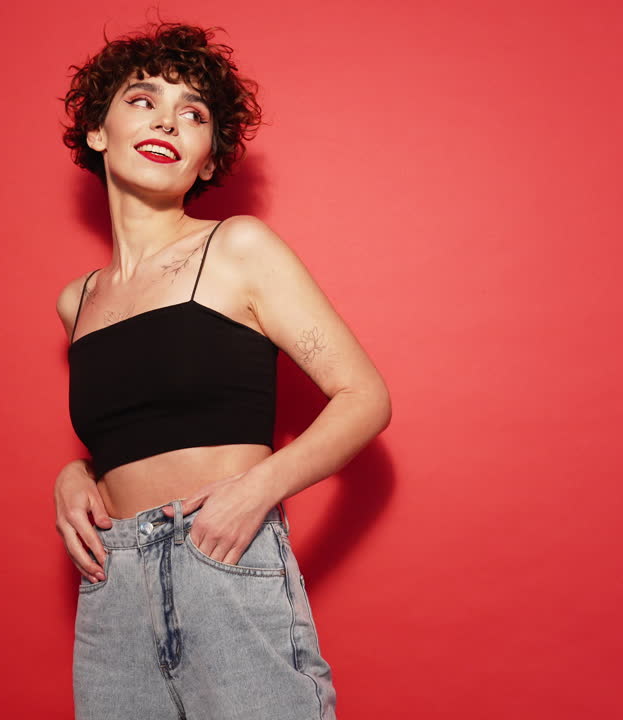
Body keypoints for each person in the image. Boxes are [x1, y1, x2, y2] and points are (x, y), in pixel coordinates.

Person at [52, 21, 391, 720]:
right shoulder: (77, 301)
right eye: (142, 100)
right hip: (113, 580)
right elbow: (138, 427)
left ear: (207, 162)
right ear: (97, 132)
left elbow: (364, 397)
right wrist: (76, 473)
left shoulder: (237, 249)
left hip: (223, 563)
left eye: (193, 114)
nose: (167, 121)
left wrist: (258, 490)